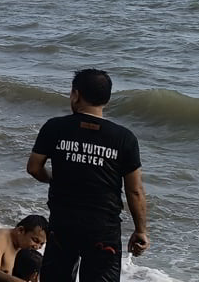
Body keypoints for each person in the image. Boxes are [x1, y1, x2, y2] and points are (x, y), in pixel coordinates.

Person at [27, 69, 149, 282]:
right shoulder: (124, 138)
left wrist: (52, 179)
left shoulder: (55, 127)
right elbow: (135, 190)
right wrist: (140, 231)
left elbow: (34, 168)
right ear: (107, 99)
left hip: (63, 223)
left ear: (76, 94)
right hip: (103, 228)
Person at [0, 215, 48, 282]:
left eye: (41, 244)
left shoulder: (21, 246)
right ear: (21, 230)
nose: (37, 247)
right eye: (35, 240)